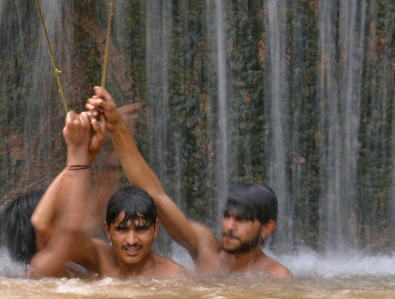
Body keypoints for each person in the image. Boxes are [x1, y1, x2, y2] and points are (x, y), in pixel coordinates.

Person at [86, 87, 291, 278]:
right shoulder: (206, 249)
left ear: (266, 228)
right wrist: (117, 127)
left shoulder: (277, 277)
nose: (230, 226)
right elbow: (154, 194)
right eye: (227, 216)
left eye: (242, 220)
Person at [29, 111, 186, 279]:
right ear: (108, 230)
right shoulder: (101, 256)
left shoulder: (173, 275)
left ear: (155, 229)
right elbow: (42, 222)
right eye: (122, 229)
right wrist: (82, 158)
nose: (131, 240)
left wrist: (78, 155)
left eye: (141, 229)